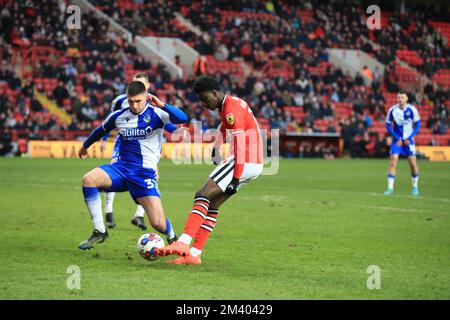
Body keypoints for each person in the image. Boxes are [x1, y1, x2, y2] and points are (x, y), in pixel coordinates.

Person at [154, 75, 264, 265]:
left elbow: (239, 143)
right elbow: (224, 127)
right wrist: (216, 146)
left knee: (202, 194)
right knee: (212, 205)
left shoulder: (231, 109)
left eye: (204, 99)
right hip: (254, 163)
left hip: (244, 159)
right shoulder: (228, 105)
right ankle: (194, 255)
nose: (203, 104)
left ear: (215, 93)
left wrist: (236, 178)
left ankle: (183, 243)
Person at [77, 81, 188, 250]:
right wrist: (85, 146)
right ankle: (100, 230)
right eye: (130, 101)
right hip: (120, 169)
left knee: (158, 223)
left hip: (143, 175)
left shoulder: (157, 114)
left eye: (138, 101)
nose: (134, 105)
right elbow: (99, 130)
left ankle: (173, 238)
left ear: (146, 97)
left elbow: (182, 118)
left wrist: (162, 104)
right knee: (89, 179)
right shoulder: (119, 116)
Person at [100, 73, 177, 230]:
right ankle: (109, 211)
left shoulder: (153, 105)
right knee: (113, 172)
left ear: (147, 86)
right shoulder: (121, 101)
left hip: (149, 151)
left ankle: (139, 215)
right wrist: (104, 138)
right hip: (124, 146)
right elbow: (109, 120)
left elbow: (164, 123)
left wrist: (177, 131)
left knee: (151, 179)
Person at [384, 91, 421, 196]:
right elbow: (387, 125)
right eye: (398, 97)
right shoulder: (392, 110)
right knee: (393, 161)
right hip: (397, 141)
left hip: (409, 141)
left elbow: (418, 125)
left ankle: (415, 187)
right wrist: (396, 137)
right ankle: (390, 188)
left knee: (413, 164)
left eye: (402, 97)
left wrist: (409, 137)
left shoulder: (412, 110)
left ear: (407, 98)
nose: (400, 99)